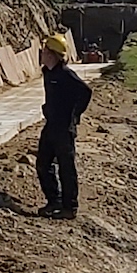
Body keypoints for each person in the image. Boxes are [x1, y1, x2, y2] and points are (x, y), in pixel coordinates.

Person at [35, 32, 90, 218]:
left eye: (44, 50)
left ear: (52, 54)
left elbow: (85, 92)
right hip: (51, 126)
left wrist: (74, 116)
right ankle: (54, 201)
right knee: (43, 163)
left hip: (64, 129)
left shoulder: (66, 75)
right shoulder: (48, 73)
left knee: (66, 168)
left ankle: (69, 207)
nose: (41, 53)